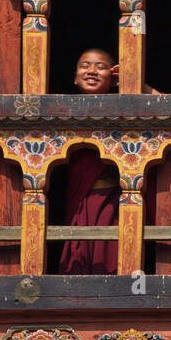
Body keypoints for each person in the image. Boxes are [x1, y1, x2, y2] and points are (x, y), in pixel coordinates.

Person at [59, 49, 121, 275]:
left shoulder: (125, 110)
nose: (92, 71)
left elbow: (164, 104)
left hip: (113, 205)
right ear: (75, 77)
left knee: (111, 261)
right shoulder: (59, 111)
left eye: (101, 67)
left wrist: (135, 84)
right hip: (81, 205)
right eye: (85, 65)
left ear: (114, 78)